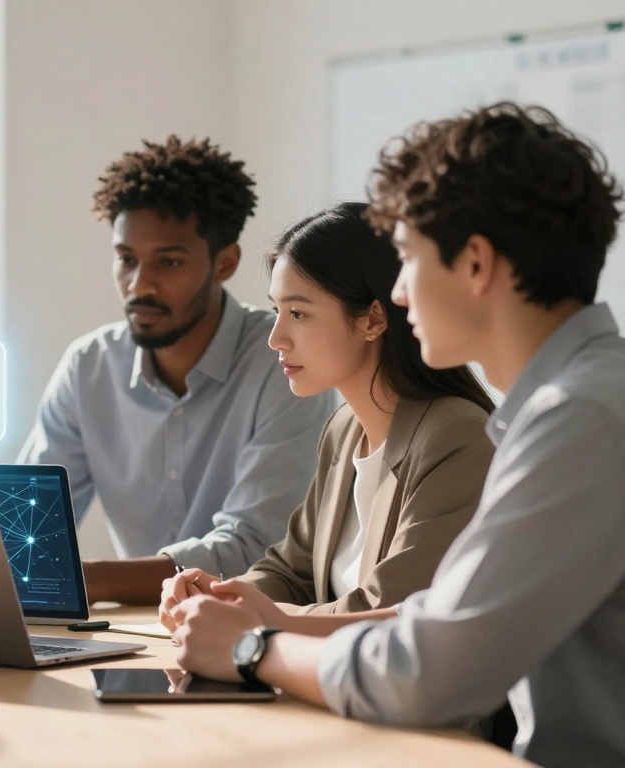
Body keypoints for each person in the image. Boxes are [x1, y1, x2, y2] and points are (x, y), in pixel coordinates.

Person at [164, 103, 625, 767]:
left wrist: (253, 647)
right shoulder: (576, 403)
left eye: (407, 259)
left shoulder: (577, 421)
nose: (401, 294)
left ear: (475, 263)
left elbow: (427, 670)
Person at [19, 135, 336, 603]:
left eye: (168, 261)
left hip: (251, 648)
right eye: (126, 260)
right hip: (131, 649)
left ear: (224, 262)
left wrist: (81, 579)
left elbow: (255, 549)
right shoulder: (89, 367)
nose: (139, 285)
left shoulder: (285, 360)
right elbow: (25, 520)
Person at [167, 202, 494, 617]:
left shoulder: (456, 438)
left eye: (298, 313)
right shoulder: (344, 430)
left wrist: (253, 619)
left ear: (373, 319)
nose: (276, 338)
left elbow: (390, 611)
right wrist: (218, 596)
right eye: (276, 311)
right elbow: (292, 572)